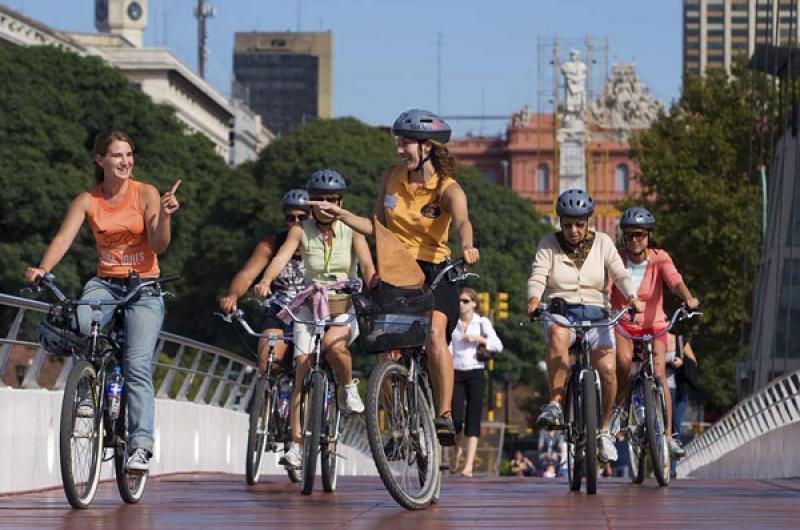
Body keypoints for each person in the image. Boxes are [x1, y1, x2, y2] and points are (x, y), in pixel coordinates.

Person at [306, 109, 480, 446]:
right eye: (398, 142)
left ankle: (443, 415)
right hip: (396, 269)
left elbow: (462, 222)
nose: (399, 149)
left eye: (406, 143)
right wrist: (341, 215)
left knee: (434, 333)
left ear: (427, 147)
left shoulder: (447, 187)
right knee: (386, 351)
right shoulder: (391, 176)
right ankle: (398, 425)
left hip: (434, 271)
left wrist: (468, 245)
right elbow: (376, 228)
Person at [25, 130, 180, 473]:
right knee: (80, 322)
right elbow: (63, 237)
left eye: (129, 155)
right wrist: (43, 268)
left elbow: (158, 246)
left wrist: (166, 215)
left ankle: (140, 446)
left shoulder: (146, 193)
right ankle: (89, 383)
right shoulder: (87, 200)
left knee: (137, 365)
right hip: (105, 284)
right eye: (117, 156)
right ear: (100, 160)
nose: (125, 162)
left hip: (144, 287)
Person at [255, 169, 375, 468]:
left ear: (341, 201)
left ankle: (348, 387)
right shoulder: (301, 230)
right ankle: (296, 445)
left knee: (335, 346)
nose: (326, 205)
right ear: (311, 202)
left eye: (332, 200)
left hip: (343, 304)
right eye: (319, 200)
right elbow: (281, 257)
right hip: (310, 306)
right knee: (300, 369)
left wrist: (373, 283)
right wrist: (266, 280)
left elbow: (367, 264)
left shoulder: (352, 229)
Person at [526, 188, 643, 464]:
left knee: (609, 369)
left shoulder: (603, 242)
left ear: (588, 221)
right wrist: (533, 298)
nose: (574, 230)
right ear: (559, 223)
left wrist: (632, 297)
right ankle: (555, 404)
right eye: (567, 225)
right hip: (561, 310)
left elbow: (620, 273)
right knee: (557, 334)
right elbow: (538, 274)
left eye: (579, 224)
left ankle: (603, 430)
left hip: (596, 312)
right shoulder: (547, 243)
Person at [610, 207, 700, 458]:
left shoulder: (660, 258)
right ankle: (618, 411)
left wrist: (688, 298)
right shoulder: (616, 259)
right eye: (628, 235)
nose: (634, 240)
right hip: (624, 325)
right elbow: (607, 286)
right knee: (624, 362)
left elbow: (674, 280)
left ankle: (669, 435)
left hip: (655, 326)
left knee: (659, 375)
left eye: (639, 234)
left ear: (649, 235)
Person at [219, 189, 310, 375]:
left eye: (302, 217)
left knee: (311, 366)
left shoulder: (323, 244)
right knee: (267, 365)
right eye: (290, 218)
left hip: (313, 310)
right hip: (281, 309)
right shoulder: (271, 244)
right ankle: (269, 399)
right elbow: (247, 274)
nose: (296, 223)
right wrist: (233, 295)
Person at [449, 287, 503, 477]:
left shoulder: (482, 322)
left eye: (465, 301)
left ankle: (469, 465)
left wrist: (478, 338)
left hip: (475, 372)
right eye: (459, 301)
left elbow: (498, 345)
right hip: (455, 372)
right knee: (455, 418)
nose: (461, 304)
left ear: (473, 304)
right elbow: (447, 347)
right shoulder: (452, 322)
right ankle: (456, 454)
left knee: (473, 419)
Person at [666, 331, 699, 450]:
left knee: (675, 428)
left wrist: (682, 362)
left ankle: (672, 467)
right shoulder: (650, 339)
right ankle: (660, 463)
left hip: (677, 392)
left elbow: (693, 362)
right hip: (657, 391)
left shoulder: (679, 340)